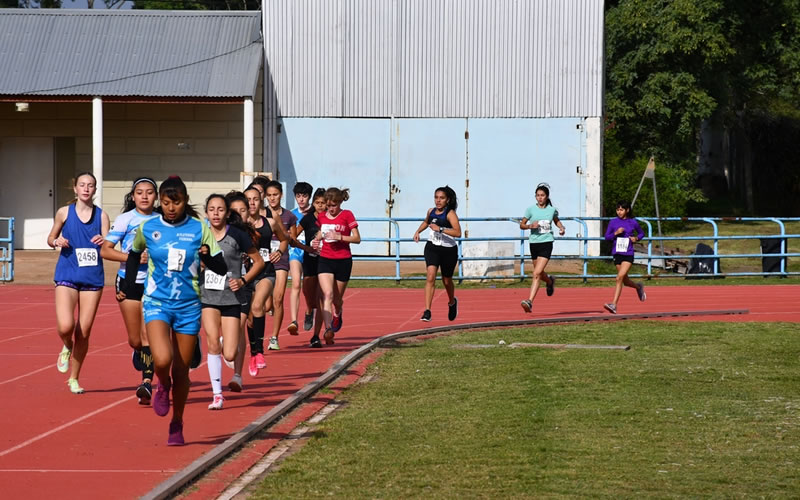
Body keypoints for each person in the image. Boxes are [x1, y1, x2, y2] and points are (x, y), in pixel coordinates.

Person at [119, 175, 227, 446]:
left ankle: (177, 421)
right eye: (165, 203)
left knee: (182, 371)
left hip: (189, 306)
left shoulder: (199, 228)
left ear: (185, 202)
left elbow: (221, 268)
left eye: (176, 203)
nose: (170, 208)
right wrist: (129, 285)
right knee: (162, 359)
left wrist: (205, 257)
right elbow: (133, 255)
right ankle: (162, 384)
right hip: (157, 302)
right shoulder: (148, 227)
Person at [48, 172, 110, 394]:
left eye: (90, 185)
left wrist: (105, 241)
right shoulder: (64, 212)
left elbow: (109, 247)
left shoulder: (102, 216)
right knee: (66, 326)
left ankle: (74, 378)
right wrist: (57, 241)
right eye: (82, 185)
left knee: (83, 330)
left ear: (95, 190)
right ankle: (66, 345)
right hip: (67, 273)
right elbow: (50, 238)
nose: (86, 189)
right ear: (75, 188)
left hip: (92, 278)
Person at [200, 194, 264, 410]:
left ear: (227, 213)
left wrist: (244, 279)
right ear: (206, 212)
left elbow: (258, 262)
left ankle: (229, 362)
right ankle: (217, 395)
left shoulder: (237, 235)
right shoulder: (200, 235)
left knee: (229, 352)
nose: (215, 213)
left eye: (220, 209)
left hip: (232, 298)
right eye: (211, 209)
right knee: (212, 343)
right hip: (207, 297)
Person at [100, 177, 159, 404]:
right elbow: (106, 251)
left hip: (154, 283)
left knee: (148, 334)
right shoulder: (126, 219)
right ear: (133, 196)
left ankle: (146, 382)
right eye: (140, 192)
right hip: (128, 280)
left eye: (150, 192)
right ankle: (139, 352)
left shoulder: (162, 220)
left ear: (156, 196)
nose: (145, 196)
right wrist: (134, 257)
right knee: (135, 339)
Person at [243, 185, 288, 376]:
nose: (252, 203)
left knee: (258, 305)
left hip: (266, 271)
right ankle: (253, 352)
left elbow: (285, 239)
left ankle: (259, 351)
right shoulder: (239, 223)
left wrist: (279, 251)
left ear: (261, 200)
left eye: (255, 199)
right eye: (248, 200)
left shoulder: (271, 220)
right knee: (251, 319)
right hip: (245, 274)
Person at [312, 187, 360, 345]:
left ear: (340, 203)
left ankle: (338, 312)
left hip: (343, 260)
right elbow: (321, 231)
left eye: (334, 205)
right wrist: (317, 239)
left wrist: (339, 236)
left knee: (337, 299)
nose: (331, 208)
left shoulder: (347, 215)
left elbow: (357, 238)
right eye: (329, 205)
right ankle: (328, 329)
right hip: (325, 259)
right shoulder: (321, 216)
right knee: (327, 294)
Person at [412, 186, 462, 322]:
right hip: (432, 247)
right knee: (430, 276)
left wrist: (440, 229)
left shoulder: (450, 214)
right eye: (436, 197)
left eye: (441, 198)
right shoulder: (431, 211)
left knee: (446, 280)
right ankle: (427, 311)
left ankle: (452, 302)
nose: (438, 201)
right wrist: (418, 232)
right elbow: (426, 221)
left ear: (448, 200)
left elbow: (458, 232)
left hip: (448, 250)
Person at [519, 183, 566, 313]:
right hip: (534, 243)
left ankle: (529, 301)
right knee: (539, 273)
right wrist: (529, 226)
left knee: (536, 273)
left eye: (542, 195)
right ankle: (550, 281)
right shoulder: (530, 210)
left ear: (547, 197)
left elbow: (556, 220)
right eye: (538, 195)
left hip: (547, 242)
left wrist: (561, 227)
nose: (540, 198)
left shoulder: (552, 210)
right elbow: (522, 225)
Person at [262, 180, 296, 351]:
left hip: (281, 258)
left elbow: (291, 238)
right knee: (266, 304)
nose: (272, 198)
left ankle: (274, 337)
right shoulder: (261, 215)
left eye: (275, 195)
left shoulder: (289, 216)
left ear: (281, 195)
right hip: (264, 259)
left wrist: (282, 230)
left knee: (278, 298)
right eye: (269, 195)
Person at [294, 188, 327, 347]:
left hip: (325, 261)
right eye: (318, 203)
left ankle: (316, 336)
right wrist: (305, 248)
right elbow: (292, 237)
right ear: (313, 203)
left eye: (323, 203)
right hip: (309, 260)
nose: (320, 206)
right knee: (307, 291)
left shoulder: (330, 219)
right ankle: (308, 310)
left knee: (321, 298)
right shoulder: (307, 219)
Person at [603, 200, 646, 314]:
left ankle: (614, 304)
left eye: (621, 210)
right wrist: (615, 233)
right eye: (617, 210)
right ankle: (638, 287)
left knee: (619, 278)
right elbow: (607, 237)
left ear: (627, 210)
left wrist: (636, 238)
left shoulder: (633, 222)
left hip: (628, 254)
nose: (619, 212)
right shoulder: (613, 222)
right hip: (617, 253)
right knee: (625, 281)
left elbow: (641, 233)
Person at [288, 182, 314, 334]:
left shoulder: (315, 213)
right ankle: (293, 321)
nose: (301, 199)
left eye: (304, 196)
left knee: (308, 289)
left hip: (311, 252)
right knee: (296, 283)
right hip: (295, 252)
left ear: (309, 197)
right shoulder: (291, 215)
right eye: (298, 196)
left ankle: (310, 311)